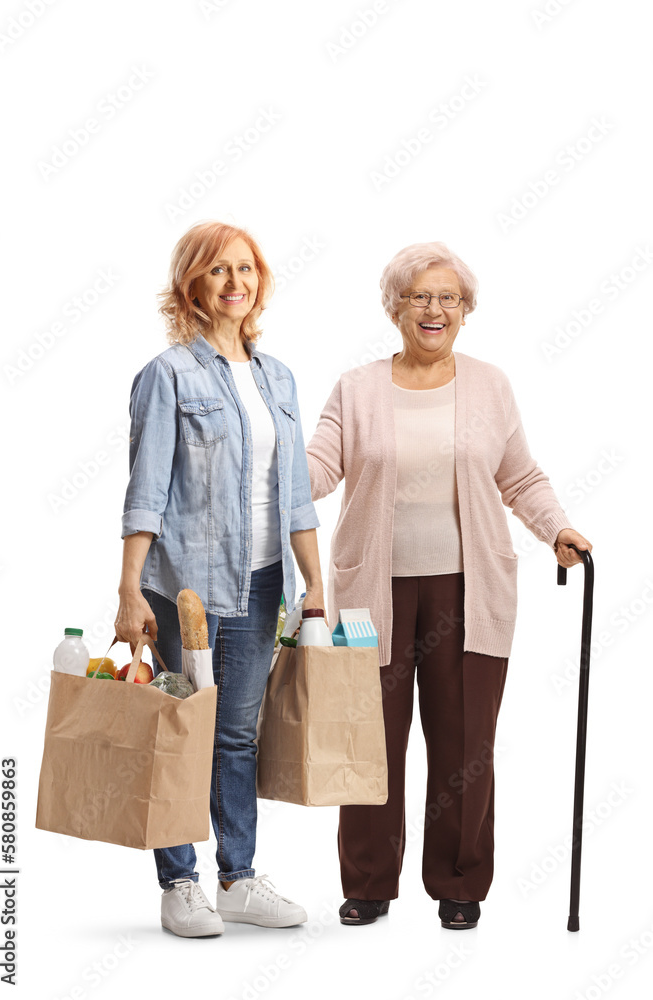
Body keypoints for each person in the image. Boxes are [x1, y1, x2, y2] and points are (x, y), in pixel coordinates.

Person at [305, 241, 592, 930]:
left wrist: (556, 528)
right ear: (395, 307)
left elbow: (519, 478)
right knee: (368, 739)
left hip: (468, 591)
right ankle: (368, 882)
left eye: (447, 298)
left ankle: (459, 882)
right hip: (369, 595)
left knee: (464, 744)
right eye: (418, 296)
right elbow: (315, 468)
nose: (433, 309)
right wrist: (266, 466)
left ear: (465, 310)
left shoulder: (489, 386)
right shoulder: (356, 387)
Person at [115, 221, 325, 937]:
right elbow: (145, 494)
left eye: (245, 269)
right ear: (191, 286)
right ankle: (180, 883)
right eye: (217, 271)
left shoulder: (279, 378)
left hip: (263, 582)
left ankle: (237, 876)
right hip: (186, 589)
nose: (235, 283)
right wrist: (127, 592)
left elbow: (294, 494)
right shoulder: (167, 375)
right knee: (178, 729)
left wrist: (313, 585)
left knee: (236, 736)